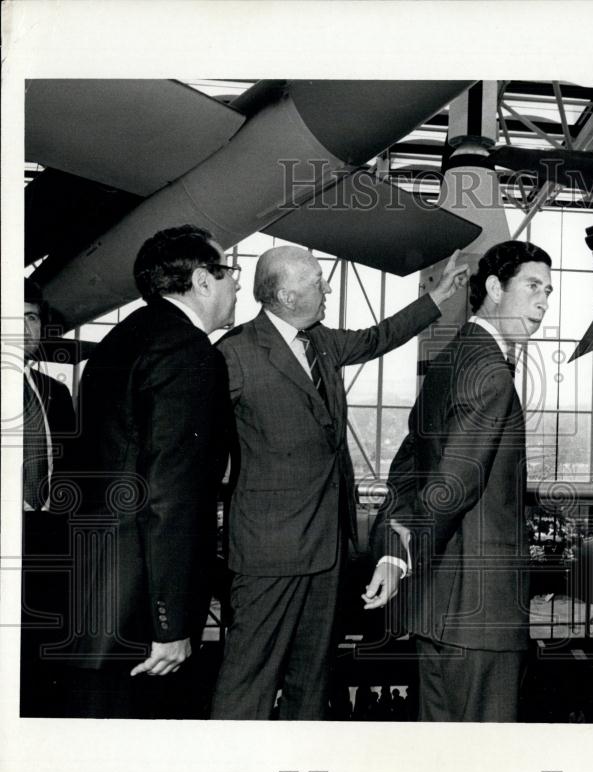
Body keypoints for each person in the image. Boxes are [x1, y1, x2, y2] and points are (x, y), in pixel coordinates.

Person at [210, 245, 467, 720]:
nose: (327, 288)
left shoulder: (321, 342)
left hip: (327, 551)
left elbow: (377, 338)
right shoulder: (235, 353)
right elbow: (200, 442)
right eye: (316, 281)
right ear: (286, 294)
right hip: (268, 554)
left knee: (312, 682)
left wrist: (436, 299)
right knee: (248, 683)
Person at [364, 239, 552, 721]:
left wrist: (393, 548)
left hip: (436, 611)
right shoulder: (492, 372)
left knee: (441, 763)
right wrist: (403, 556)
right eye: (533, 286)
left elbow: (406, 468)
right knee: (484, 770)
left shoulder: (448, 360)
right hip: (482, 616)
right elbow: (455, 487)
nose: (543, 303)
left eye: (548, 292)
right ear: (493, 287)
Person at [63, 225, 237, 717]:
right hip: (138, 613)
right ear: (203, 281)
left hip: (94, 596)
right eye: (229, 274)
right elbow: (170, 495)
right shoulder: (188, 352)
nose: (236, 286)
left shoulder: (122, 340)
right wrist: (170, 623)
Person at [20, 279, 77, 716]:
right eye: (15, 316)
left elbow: (73, 470)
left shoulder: (54, 392)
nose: (25, 327)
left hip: (45, 537)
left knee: (37, 653)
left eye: (33, 316)